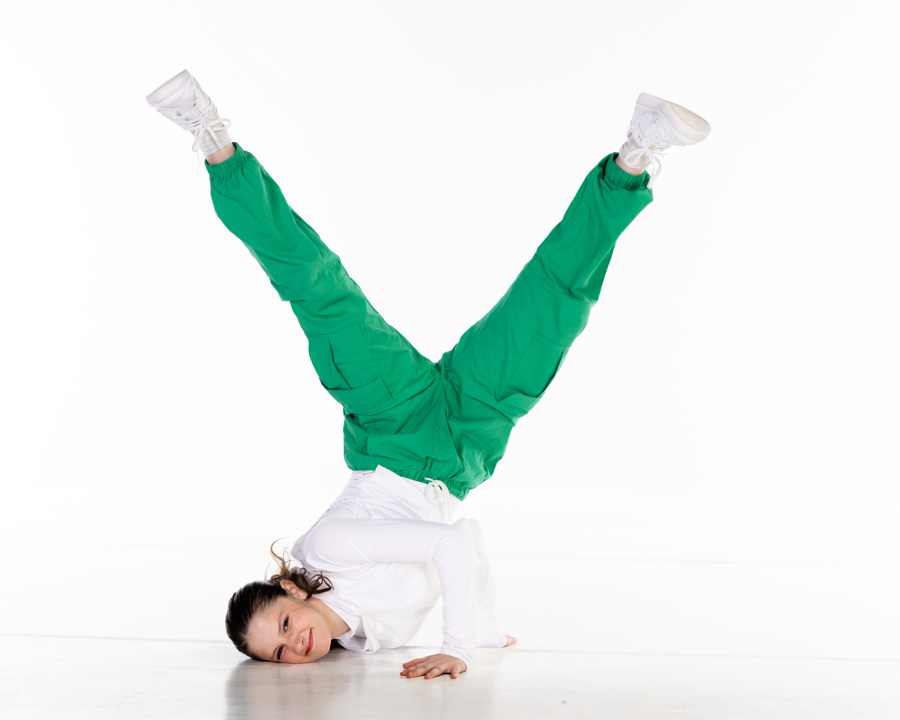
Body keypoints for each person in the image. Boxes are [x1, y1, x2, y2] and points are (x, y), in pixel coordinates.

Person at [146, 70, 711, 680]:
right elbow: (463, 535)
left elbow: (443, 548)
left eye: (283, 625)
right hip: (465, 446)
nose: (294, 646)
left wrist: (461, 645)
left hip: (393, 421)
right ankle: (636, 156)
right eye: (277, 653)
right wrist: (486, 630)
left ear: (293, 591)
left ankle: (212, 140)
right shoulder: (371, 640)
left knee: (320, 289)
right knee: (556, 303)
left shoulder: (329, 554)